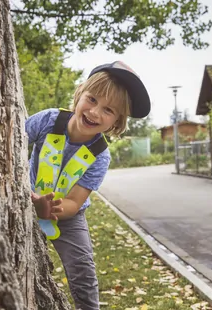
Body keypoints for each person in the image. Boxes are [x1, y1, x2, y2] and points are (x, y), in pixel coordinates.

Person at [25, 61, 151, 310]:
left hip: (68, 217)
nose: (95, 112)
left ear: (117, 121)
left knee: (83, 268)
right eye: (92, 99)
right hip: (24, 199)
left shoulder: (100, 155)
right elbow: (9, 141)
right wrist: (31, 200)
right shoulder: (47, 121)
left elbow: (74, 202)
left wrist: (50, 209)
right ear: (79, 94)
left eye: (108, 110)